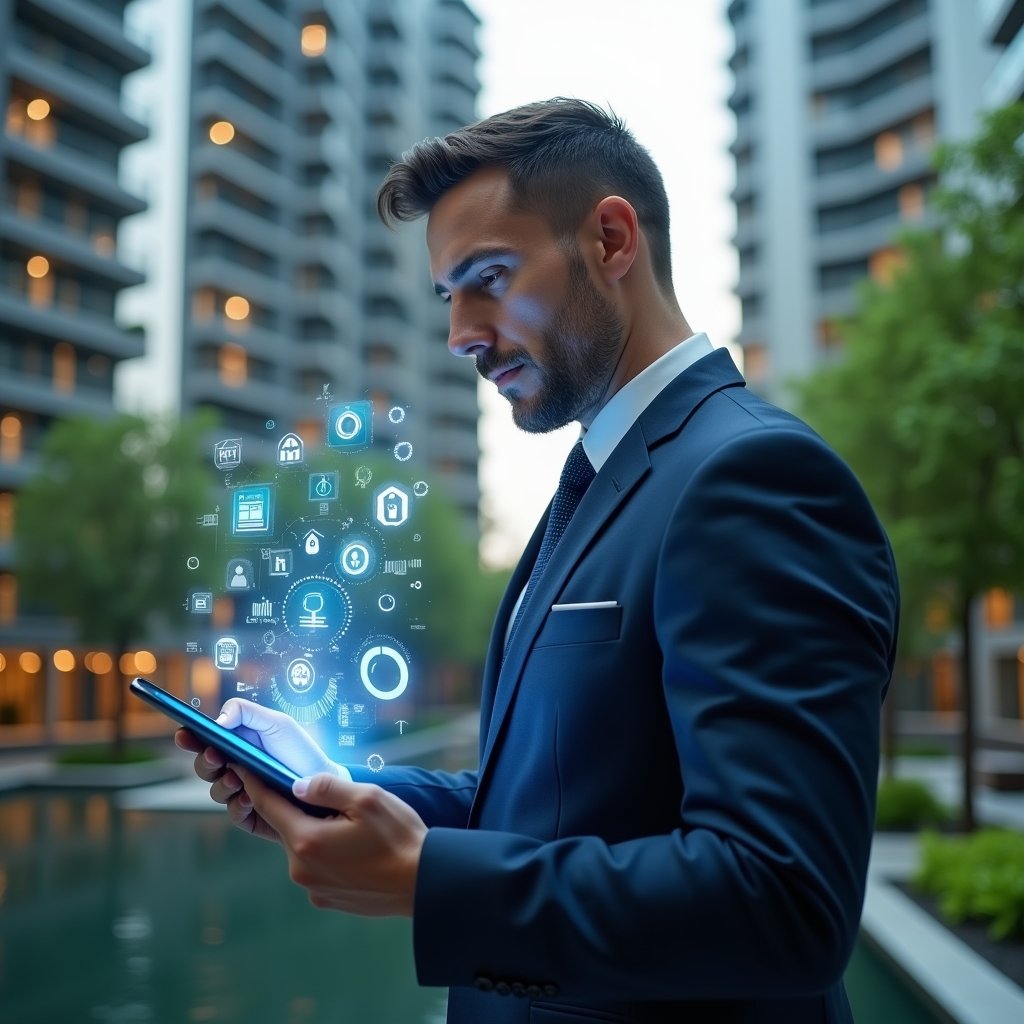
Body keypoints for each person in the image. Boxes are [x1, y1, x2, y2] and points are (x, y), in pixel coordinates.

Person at [176, 98, 899, 1023]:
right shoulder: (598, 483)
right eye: (449, 296)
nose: (461, 334)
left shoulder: (754, 477)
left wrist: (431, 879)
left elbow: (785, 899)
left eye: (489, 277)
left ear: (609, 239)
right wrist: (349, 791)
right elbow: (558, 800)